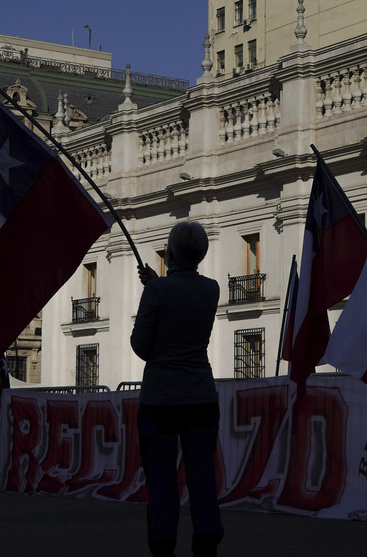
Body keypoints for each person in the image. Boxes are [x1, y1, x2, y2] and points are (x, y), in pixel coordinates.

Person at [130, 221, 224, 557]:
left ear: (169, 252)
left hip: (161, 399)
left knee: (162, 478)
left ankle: (163, 543)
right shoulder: (211, 289)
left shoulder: (156, 293)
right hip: (201, 395)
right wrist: (158, 286)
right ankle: (208, 538)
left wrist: (154, 290)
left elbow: (141, 345)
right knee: (201, 475)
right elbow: (183, 301)